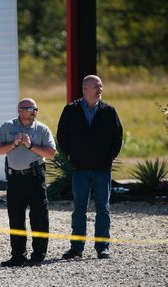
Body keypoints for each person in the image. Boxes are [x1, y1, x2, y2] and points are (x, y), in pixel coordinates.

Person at [57, 75, 123, 260]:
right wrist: (71, 155)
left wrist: (110, 156)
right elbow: (62, 135)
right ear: (85, 88)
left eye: (101, 86)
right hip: (79, 168)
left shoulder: (109, 111)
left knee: (103, 208)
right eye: (97, 86)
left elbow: (118, 136)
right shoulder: (71, 110)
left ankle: (103, 248)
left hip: (102, 168)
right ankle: (76, 248)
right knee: (79, 209)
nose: (101, 89)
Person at [0, 98, 56, 267]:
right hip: (15, 179)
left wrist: (30, 145)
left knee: (39, 217)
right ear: (20, 110)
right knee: (15, 217)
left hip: (35, 177)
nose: (34, 112)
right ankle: (18, 256)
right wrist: (13, 144)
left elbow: (51, 153)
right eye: (30, 109)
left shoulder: (41, 128)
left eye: (36, 109)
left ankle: (38, 255)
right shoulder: (8, 127)